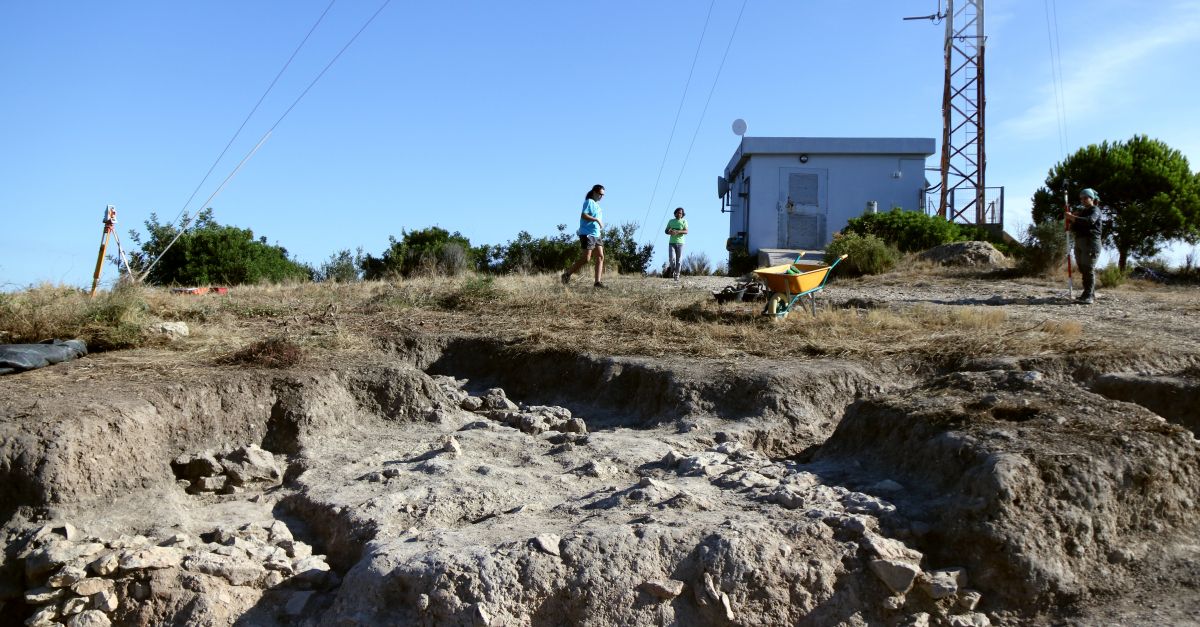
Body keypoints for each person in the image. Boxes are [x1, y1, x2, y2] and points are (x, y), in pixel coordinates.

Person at [562, 184, 606, 287]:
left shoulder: (598, 206)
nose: (601, 196)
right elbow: (584, 215)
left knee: (600, 256)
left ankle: (597, 282)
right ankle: (567, 274)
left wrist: (599, 225)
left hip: (596, 234)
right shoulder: (589, 202)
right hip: (587, 233)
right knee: (586, 258)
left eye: (603, 195)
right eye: (600, 194)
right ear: (594, 192)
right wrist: (597, 220)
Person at [1066, 187, 1103, 304]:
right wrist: (1071, 220)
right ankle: (1087, 293)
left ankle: (1089, 296)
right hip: (1080, 242)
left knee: (1088, 269)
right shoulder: (1082, 212)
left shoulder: (1095, 210)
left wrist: (1073, 217)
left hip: (1091, 243)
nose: (1083, 200)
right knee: (1082, 268)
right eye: (1081, 198)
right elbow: (1075, 225)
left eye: (1085, 198)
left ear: (1092, 198)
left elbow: (1089, 221)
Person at [665, 207, 688, 280]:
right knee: (671, 259)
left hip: (680, 243)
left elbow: (686, 231)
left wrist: (678, 232)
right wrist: (670, 232)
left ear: (682, 214)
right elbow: (666, 230)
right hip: (671, 242)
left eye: (680, 213)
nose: (679, 214)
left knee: (679, 260)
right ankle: (673, 270)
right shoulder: (671, 221)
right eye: (678, 213)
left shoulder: (684, 221)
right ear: (675, 214)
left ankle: (677, 274)